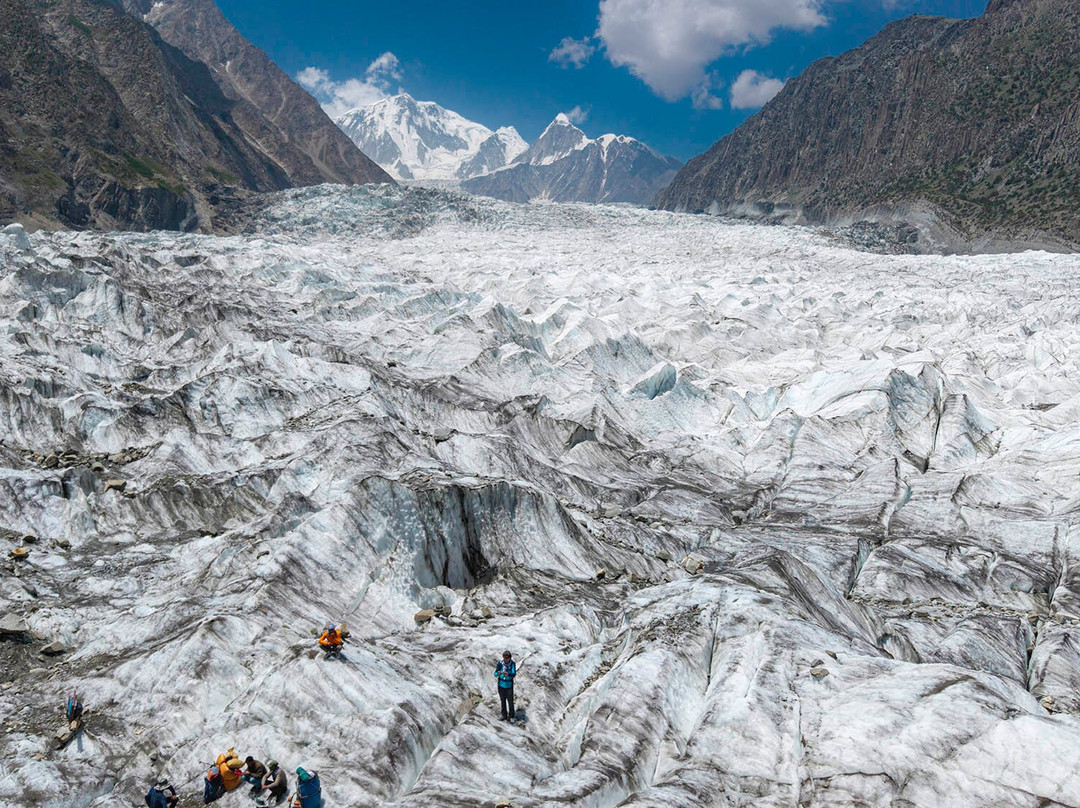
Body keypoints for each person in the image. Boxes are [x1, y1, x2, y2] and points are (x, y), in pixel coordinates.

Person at [494, 650, 516, 722]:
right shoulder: (500, 663)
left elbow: (513, 674)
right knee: (502, 701)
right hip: (501, 685)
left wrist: (508, 674)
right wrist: (498, 673)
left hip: (509, 685)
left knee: (510, 701)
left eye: (507, 658)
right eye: (504, 657)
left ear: (510, 657)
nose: (506, 659)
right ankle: (504, 715)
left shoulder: (512, 664)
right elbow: (495, 673)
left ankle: (511, 716)